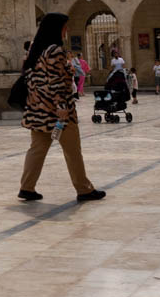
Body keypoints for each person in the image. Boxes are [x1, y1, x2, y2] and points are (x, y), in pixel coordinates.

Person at [18, 11, 105, 203]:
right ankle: (84, 189)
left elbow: (36, 77)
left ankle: (27, 187)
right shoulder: (55, 50)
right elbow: (55, 80)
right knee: (73, 150)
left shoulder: (36, 49)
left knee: (37, 149)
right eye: (65, 26)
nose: (67, 30)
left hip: (38, 110)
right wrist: (62, 105)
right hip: (59, 112)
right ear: (57, 28)